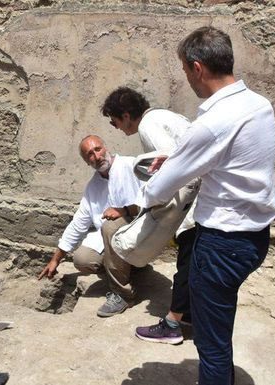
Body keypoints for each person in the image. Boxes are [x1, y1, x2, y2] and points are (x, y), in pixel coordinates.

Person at [139, 27, 275, 384]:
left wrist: (142, 186)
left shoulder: (213, 122)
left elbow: (158, 190)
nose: (186, 78)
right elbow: (234, 155)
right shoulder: (258, 105)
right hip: (254, 237)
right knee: (218, 325)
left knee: (210, 342)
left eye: (185, 71)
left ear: (197, 68)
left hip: (221, 244)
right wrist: (179, 156)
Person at [101, 86, 196, 345]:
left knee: (187, 266)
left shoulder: (148, 126)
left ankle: (173, 325)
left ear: (127, 115)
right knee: (193, 264)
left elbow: (169, 169)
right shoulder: (168, 117)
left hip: (191, 208)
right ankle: (187, 316)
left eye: (115, 121)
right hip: (201, 202)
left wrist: (151, 203)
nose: (116, 127)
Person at [38, 135, 143, 317]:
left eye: (98, 149)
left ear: (106, 148)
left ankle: (123, 294)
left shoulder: (131, 166)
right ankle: (128, 271)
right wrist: (56, 258)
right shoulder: (93, 186)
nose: (97, 156)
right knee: (82, 259)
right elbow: (79, 223)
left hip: (141, 232)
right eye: (90, 155)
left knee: (110, 227)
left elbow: (154, 200)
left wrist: (125, 210)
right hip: (111, 239)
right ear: (87, 162)